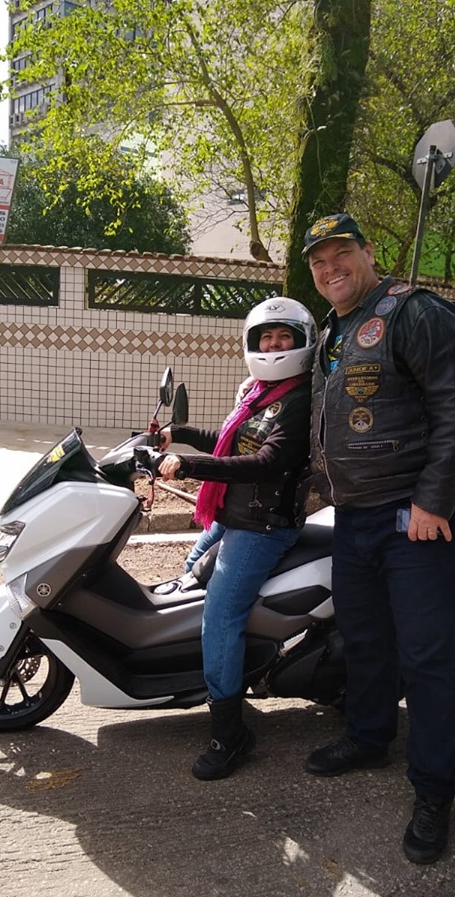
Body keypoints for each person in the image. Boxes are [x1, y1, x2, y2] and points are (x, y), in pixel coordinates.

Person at [301, 213, 455, 865]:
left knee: (430, 656)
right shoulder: (332, 330)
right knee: (366, 639)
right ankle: (369, 736)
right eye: (319, 261)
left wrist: (433, 500)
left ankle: (434, 789)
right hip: (358, 517)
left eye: (341, 254)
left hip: (421, 517)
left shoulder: (415, 313)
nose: (330, 268)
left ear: (369, 253)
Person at [158, 297, 317, 781]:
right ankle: (206, 670)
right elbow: (232, 442)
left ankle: (229, 733)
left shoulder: (300, 401)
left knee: (220, 617)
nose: (274, 345)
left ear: (302, 343)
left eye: (284, 337)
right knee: (188, 574)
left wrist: (189, 466)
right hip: (233, 513)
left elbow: (266, 462)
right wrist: (177, 434)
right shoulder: (262, 394)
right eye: (266, 337)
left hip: (263, 526)